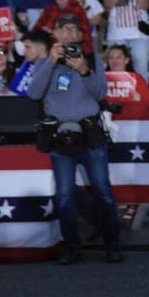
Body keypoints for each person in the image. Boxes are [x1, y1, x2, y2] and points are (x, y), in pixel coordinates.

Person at [26, 14, 123, 264]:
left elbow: (101, 92)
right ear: (56, 34)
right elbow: (34, 93)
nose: (69, 34)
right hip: (60, 138)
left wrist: (84, 70)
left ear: (80, 36)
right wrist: (49, 62)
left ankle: (112, 244)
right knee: (66, 196)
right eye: (64, 29)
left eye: (74, 30)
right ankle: (72, 247)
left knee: (103, 192)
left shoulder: (92, 59)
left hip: (90, 134)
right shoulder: (46, 61)